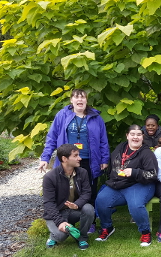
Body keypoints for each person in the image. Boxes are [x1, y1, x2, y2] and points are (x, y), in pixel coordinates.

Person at [38, 89, 109, 234]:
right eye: (76, 97)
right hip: (67, 161)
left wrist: (104, 159)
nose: (80, 100)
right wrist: (45, 158)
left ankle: (90, 222)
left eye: (83, 97)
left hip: (90, 160)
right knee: (66, 191)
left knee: (89, 191)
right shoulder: (62, 116)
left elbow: (103, 140)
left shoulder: (96, 117)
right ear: (71, 100)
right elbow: (52, 138)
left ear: (86, 100)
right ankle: (62, 221)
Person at [95, 125, 158, 247]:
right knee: (101, 200)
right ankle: (107, 228)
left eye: (139, 134)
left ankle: (145, 232)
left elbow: (153, 174)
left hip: (140, 184)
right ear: (127, 135)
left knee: (135, 205)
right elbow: (113, 164)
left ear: (142, 136)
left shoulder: (147, 153)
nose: (135, 137)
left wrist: (135, 172)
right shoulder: (121, 148)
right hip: (118, 184)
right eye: (133, 134)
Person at [43, 144, 95, 250]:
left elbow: (86, 193)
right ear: (64, 159)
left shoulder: (82, 172)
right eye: (75, 156)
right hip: (57, 212)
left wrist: (77, 205)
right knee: (61, 236)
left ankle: (82, 238)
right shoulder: (50, 177)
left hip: (74, 210)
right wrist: (60, 222)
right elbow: (49, 203)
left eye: (78, 155)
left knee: (89, 209)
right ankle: (54, 236)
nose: (79, 158)